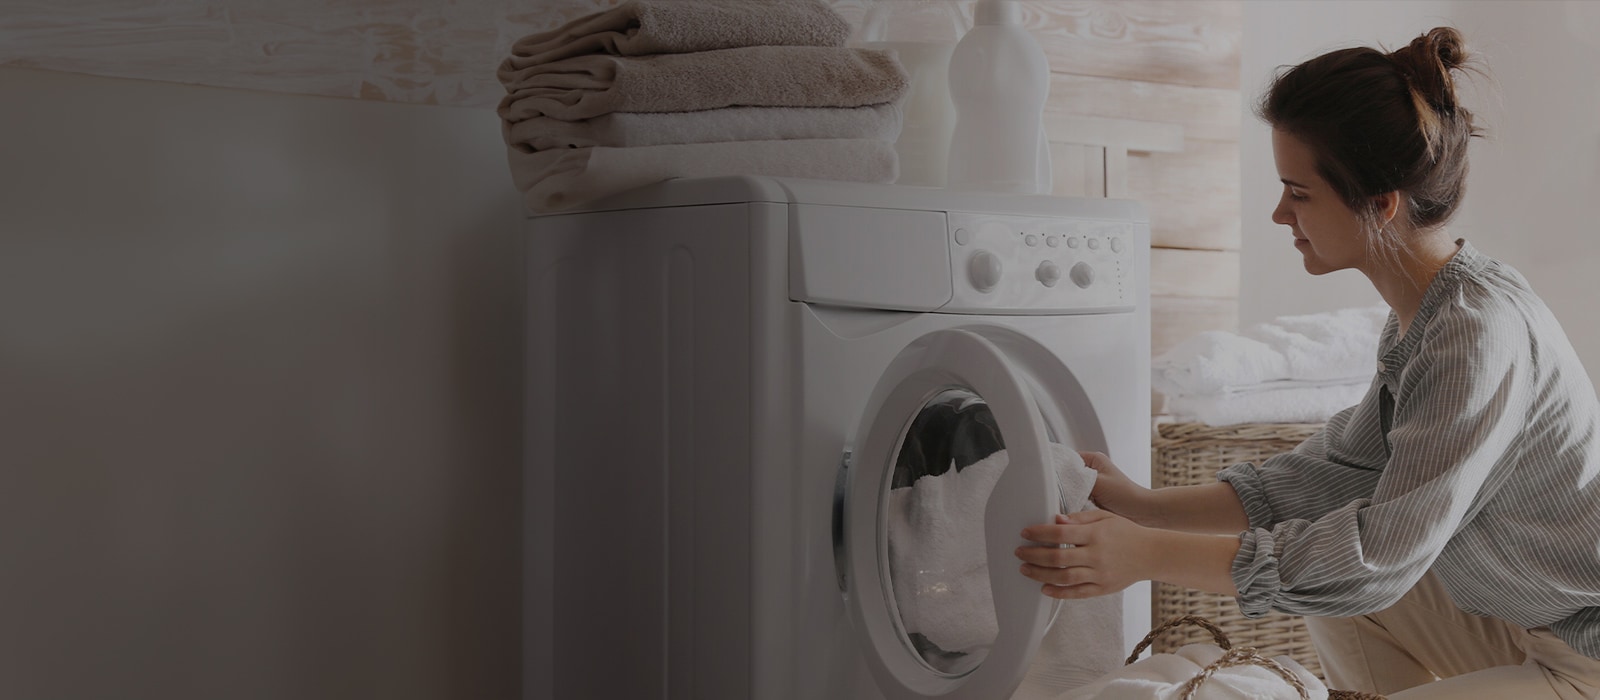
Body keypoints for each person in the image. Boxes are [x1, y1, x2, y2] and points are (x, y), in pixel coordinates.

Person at [1013, 26, 1600, 699]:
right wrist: (1144, 508)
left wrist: (1143, 557)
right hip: (1527, 620)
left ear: (1379, 206)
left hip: (1587, 651)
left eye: (1299, 192)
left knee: (1351, 576)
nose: (1278, 213)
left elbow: (1379, 556)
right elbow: (1328, 478)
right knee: (1333, 584)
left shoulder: (1474, 335)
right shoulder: (1429, 312)